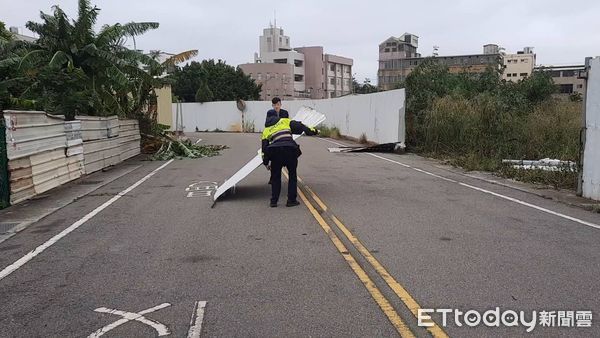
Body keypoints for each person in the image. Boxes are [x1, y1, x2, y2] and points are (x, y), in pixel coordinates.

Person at [262, 101, 318, 207]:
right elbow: (301, 127)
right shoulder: (285, 121)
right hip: (290, 150)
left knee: (275, 177)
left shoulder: (266, 130)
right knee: (292, 175)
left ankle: (274, 202)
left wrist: (266, 162)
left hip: (275, 152)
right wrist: (314, 131)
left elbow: (264, 148)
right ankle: (291, 200)